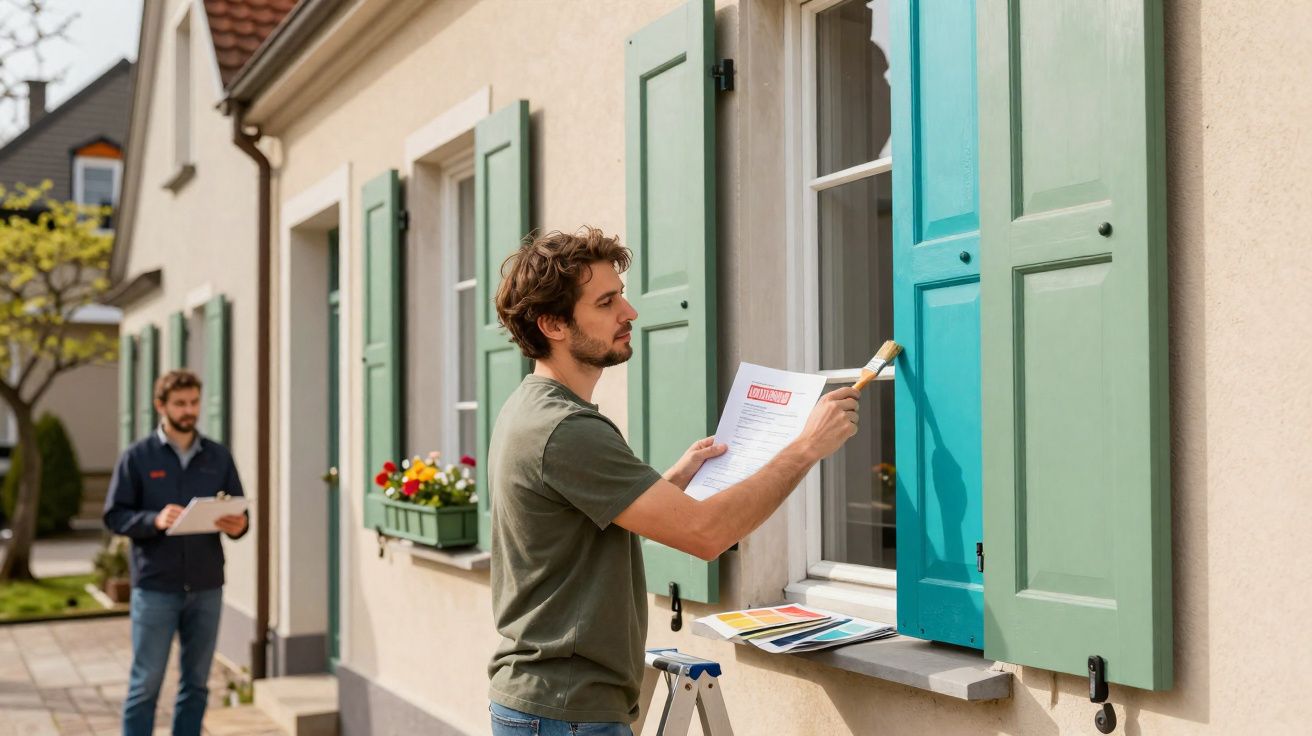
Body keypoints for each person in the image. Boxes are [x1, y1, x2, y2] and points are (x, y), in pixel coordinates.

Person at [487, 228, 860, 735]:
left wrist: (671, 482)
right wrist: (805, 447)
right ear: (553, 323)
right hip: (566, 714)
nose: (630, 312)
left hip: (548, 705)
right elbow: (706, 536)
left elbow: (574, 532)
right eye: (607, 302)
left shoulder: (532, 408)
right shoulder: (566, 429)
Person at [104, 370, 249, 736]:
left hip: (206, 586)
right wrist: (154, 520)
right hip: (155, 586)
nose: (189, 411)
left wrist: (240, 525)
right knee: (145, 684)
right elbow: (114, 515)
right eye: (180, 404)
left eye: (194, 402)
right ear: (161, 406)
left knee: (197, 684)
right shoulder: (137, 457)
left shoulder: (218, 456)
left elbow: (239, 513)